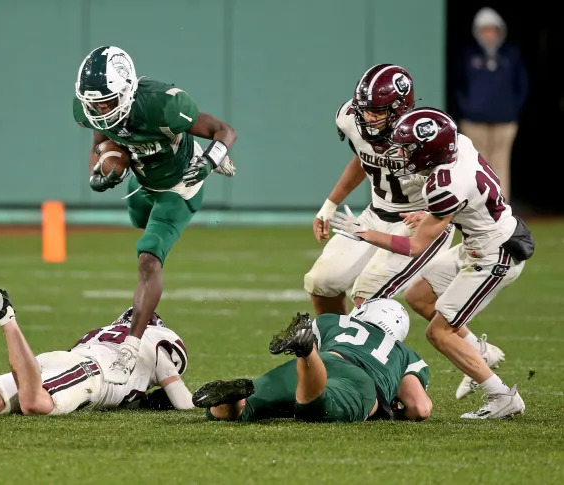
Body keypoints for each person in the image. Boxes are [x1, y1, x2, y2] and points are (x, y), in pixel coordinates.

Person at [330, 107, 533, 419]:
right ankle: (477, 352)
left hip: (495, 254)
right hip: (482, 238)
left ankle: (502, 396)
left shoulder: (444, 184)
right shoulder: (459, 146)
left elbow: (415, 245)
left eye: (408, 148)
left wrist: (365, 232)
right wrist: (432, 213)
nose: (400, 153)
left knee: (439, 333)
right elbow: (465, 194)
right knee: (419, 295)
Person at [73, 46, 237, 384]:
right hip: (143, 184)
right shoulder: (91, 109)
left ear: (128, 90)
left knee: (149, 257)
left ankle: (130, 348)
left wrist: (209, 161)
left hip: (180, 185)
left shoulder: (164, 103)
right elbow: (99, 141)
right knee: (138, 220)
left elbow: (225, 130)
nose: (101, 110)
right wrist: (99, 172)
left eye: (107, 101)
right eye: (95, 103)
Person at [0, 290, 193, 416]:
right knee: (35, 404)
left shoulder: (111, 333)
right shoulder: (157, 338)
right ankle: (6, 315)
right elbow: (181, 401)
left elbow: (130, 389)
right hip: (89, 374)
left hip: (65, 362)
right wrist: (201, 404)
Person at [305, 64, 454, 316]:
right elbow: (364, 160)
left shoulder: (424, 134)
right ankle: (333, 344)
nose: (368, 118)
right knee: (321, 283)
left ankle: (475, 348)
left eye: (377, 112)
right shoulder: (351, 118)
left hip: (418, 222)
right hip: (374, 216)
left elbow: (455, 184)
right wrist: (329, 205)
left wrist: (433, 214)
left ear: (400, 107)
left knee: (368, 295)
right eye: (364, 110)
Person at [192, 299, 431, 423]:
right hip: (360, 380)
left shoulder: (332, 321)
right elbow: (420, 408)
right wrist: (392, 412)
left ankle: (235, 401)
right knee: (317, 409)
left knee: (244, 407)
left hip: (325, 359)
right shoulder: (402, 352)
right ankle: (306, 353)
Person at [455, 7, 528, 202]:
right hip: (474, 120)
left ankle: (501, 205)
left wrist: (512, 109)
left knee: (501, 163)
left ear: (499, 31)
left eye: (493, 30)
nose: (489, 34)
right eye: (485, 30)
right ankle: (479, 204)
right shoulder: (468, 55)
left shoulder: (510, 55)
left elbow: (521, 85)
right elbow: (458, 84)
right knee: (478, 163)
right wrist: (468, 107)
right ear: (477, 32)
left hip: (505, 120)